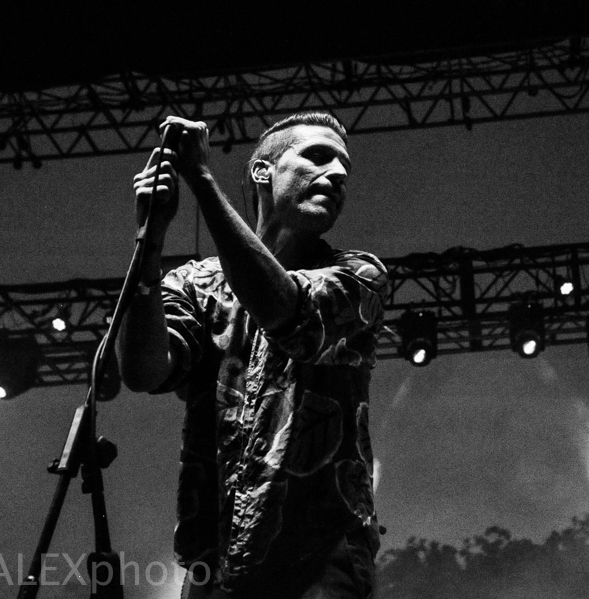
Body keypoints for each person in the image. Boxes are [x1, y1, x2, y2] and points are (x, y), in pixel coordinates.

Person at [116, 112, 389, 599]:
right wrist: (150, 239)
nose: (338, 174)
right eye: (318, 156)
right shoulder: (195, 284)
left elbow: (287, 314)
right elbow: (143, 372)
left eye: (344, 168)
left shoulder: (359, 276)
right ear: (263, 171)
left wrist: (201, 180)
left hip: (320, 563)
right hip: (213, 566)